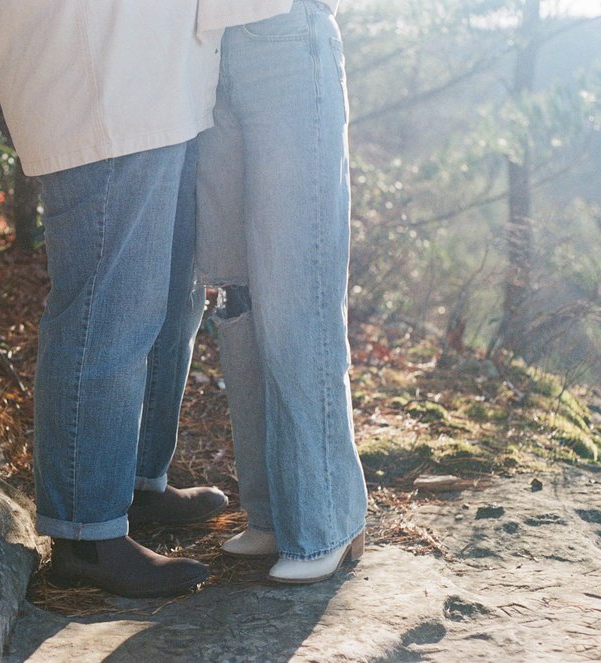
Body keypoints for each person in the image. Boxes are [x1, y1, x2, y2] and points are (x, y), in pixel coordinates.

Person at [0, 0, 230, 598]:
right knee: (108, 311)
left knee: (172, 300)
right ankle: (87, 534)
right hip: (100, 70)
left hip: (168, 76)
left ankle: (136, 485)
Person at [196, 0, 369, 583]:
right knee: (234, 295)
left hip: (287, 40)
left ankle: (323, 519)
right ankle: (271, 513)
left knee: (297, 281)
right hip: (203, 49)